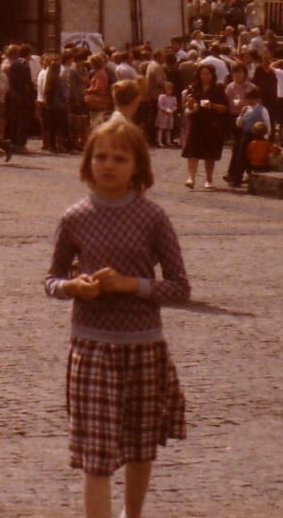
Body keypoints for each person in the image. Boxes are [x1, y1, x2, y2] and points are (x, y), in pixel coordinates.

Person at [45, 115, 189, 518]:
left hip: (143, 345)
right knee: (96, 451)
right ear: (88, 161)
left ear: (138, 168)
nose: (109, 165)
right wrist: (71, 288)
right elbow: (51, 279)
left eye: (120, 158)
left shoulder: (152, 217)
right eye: (101, 156)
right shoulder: (74, 217)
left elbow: (180, 286)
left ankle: (133, 513)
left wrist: (132, 285)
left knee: (141, 444)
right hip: (90, 346)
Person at [181, 63, 227, 190]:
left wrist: (211, 105)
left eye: (208, 73)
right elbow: (186, 105)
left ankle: (209, 178)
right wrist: (189, 103)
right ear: (199, 74)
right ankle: (191, 177)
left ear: (212, 75)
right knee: (192, 151)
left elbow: (224, 107)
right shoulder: (194, 87)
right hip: (195, 121)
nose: (205, 76)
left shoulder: (218, 89)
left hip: (211, 122)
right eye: (203, 73)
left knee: (209, 153)